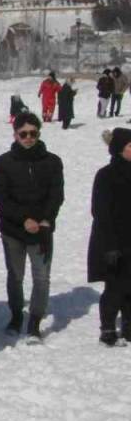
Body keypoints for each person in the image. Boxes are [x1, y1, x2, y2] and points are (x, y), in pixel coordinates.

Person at [0, 112, 64, 339]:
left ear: (39, 133)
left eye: (33, 133)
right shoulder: (3, 163)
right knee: (15, 275)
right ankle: (16, 315)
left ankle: (34, 321)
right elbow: (1, 198)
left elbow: (56, 194)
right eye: (23, 134)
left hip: (42, 229)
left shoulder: (52, 161)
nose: (28, 138)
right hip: (13, 230)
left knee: (41, 277)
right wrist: (24, 219)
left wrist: (45, 220)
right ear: (15, 135)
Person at [90, 128, 131, 346]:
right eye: (130, 146)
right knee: (114, 287)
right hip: (112, 241)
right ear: (119, 149)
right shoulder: (106, 175)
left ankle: (128, 326)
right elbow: (100, 211)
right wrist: (110, 245)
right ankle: (107, 327)